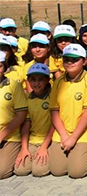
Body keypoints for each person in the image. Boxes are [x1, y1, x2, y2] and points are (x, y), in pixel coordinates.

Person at [48, 43, 87, 178]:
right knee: (57, 170)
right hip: (62, 133)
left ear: (84, 61)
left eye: (75, 59)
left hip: (83, 134)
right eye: (67, 59)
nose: (70, 62)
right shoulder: (58, 82)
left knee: (77, 172)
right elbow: (54, 111)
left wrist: (74, 138)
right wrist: (64, 135)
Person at [14, 63, 54, 177]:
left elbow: (54, 124)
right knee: (20, 170)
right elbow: (26, 124)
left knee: (39, 171)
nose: (37, 83)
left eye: (41, 80)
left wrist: (44, 147)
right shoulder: (26, 98)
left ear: (48, 80)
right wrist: (24, 148)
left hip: (49, 141)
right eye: (33, 80)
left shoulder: (53, 97)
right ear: (28, 81)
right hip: (32, 140)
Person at [0, 51, 28, 179]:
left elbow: (21, 115)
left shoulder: (14, 85)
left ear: (5, 68)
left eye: (0, 66)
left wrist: (2, 135)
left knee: (2, 172)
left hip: (9, 135)